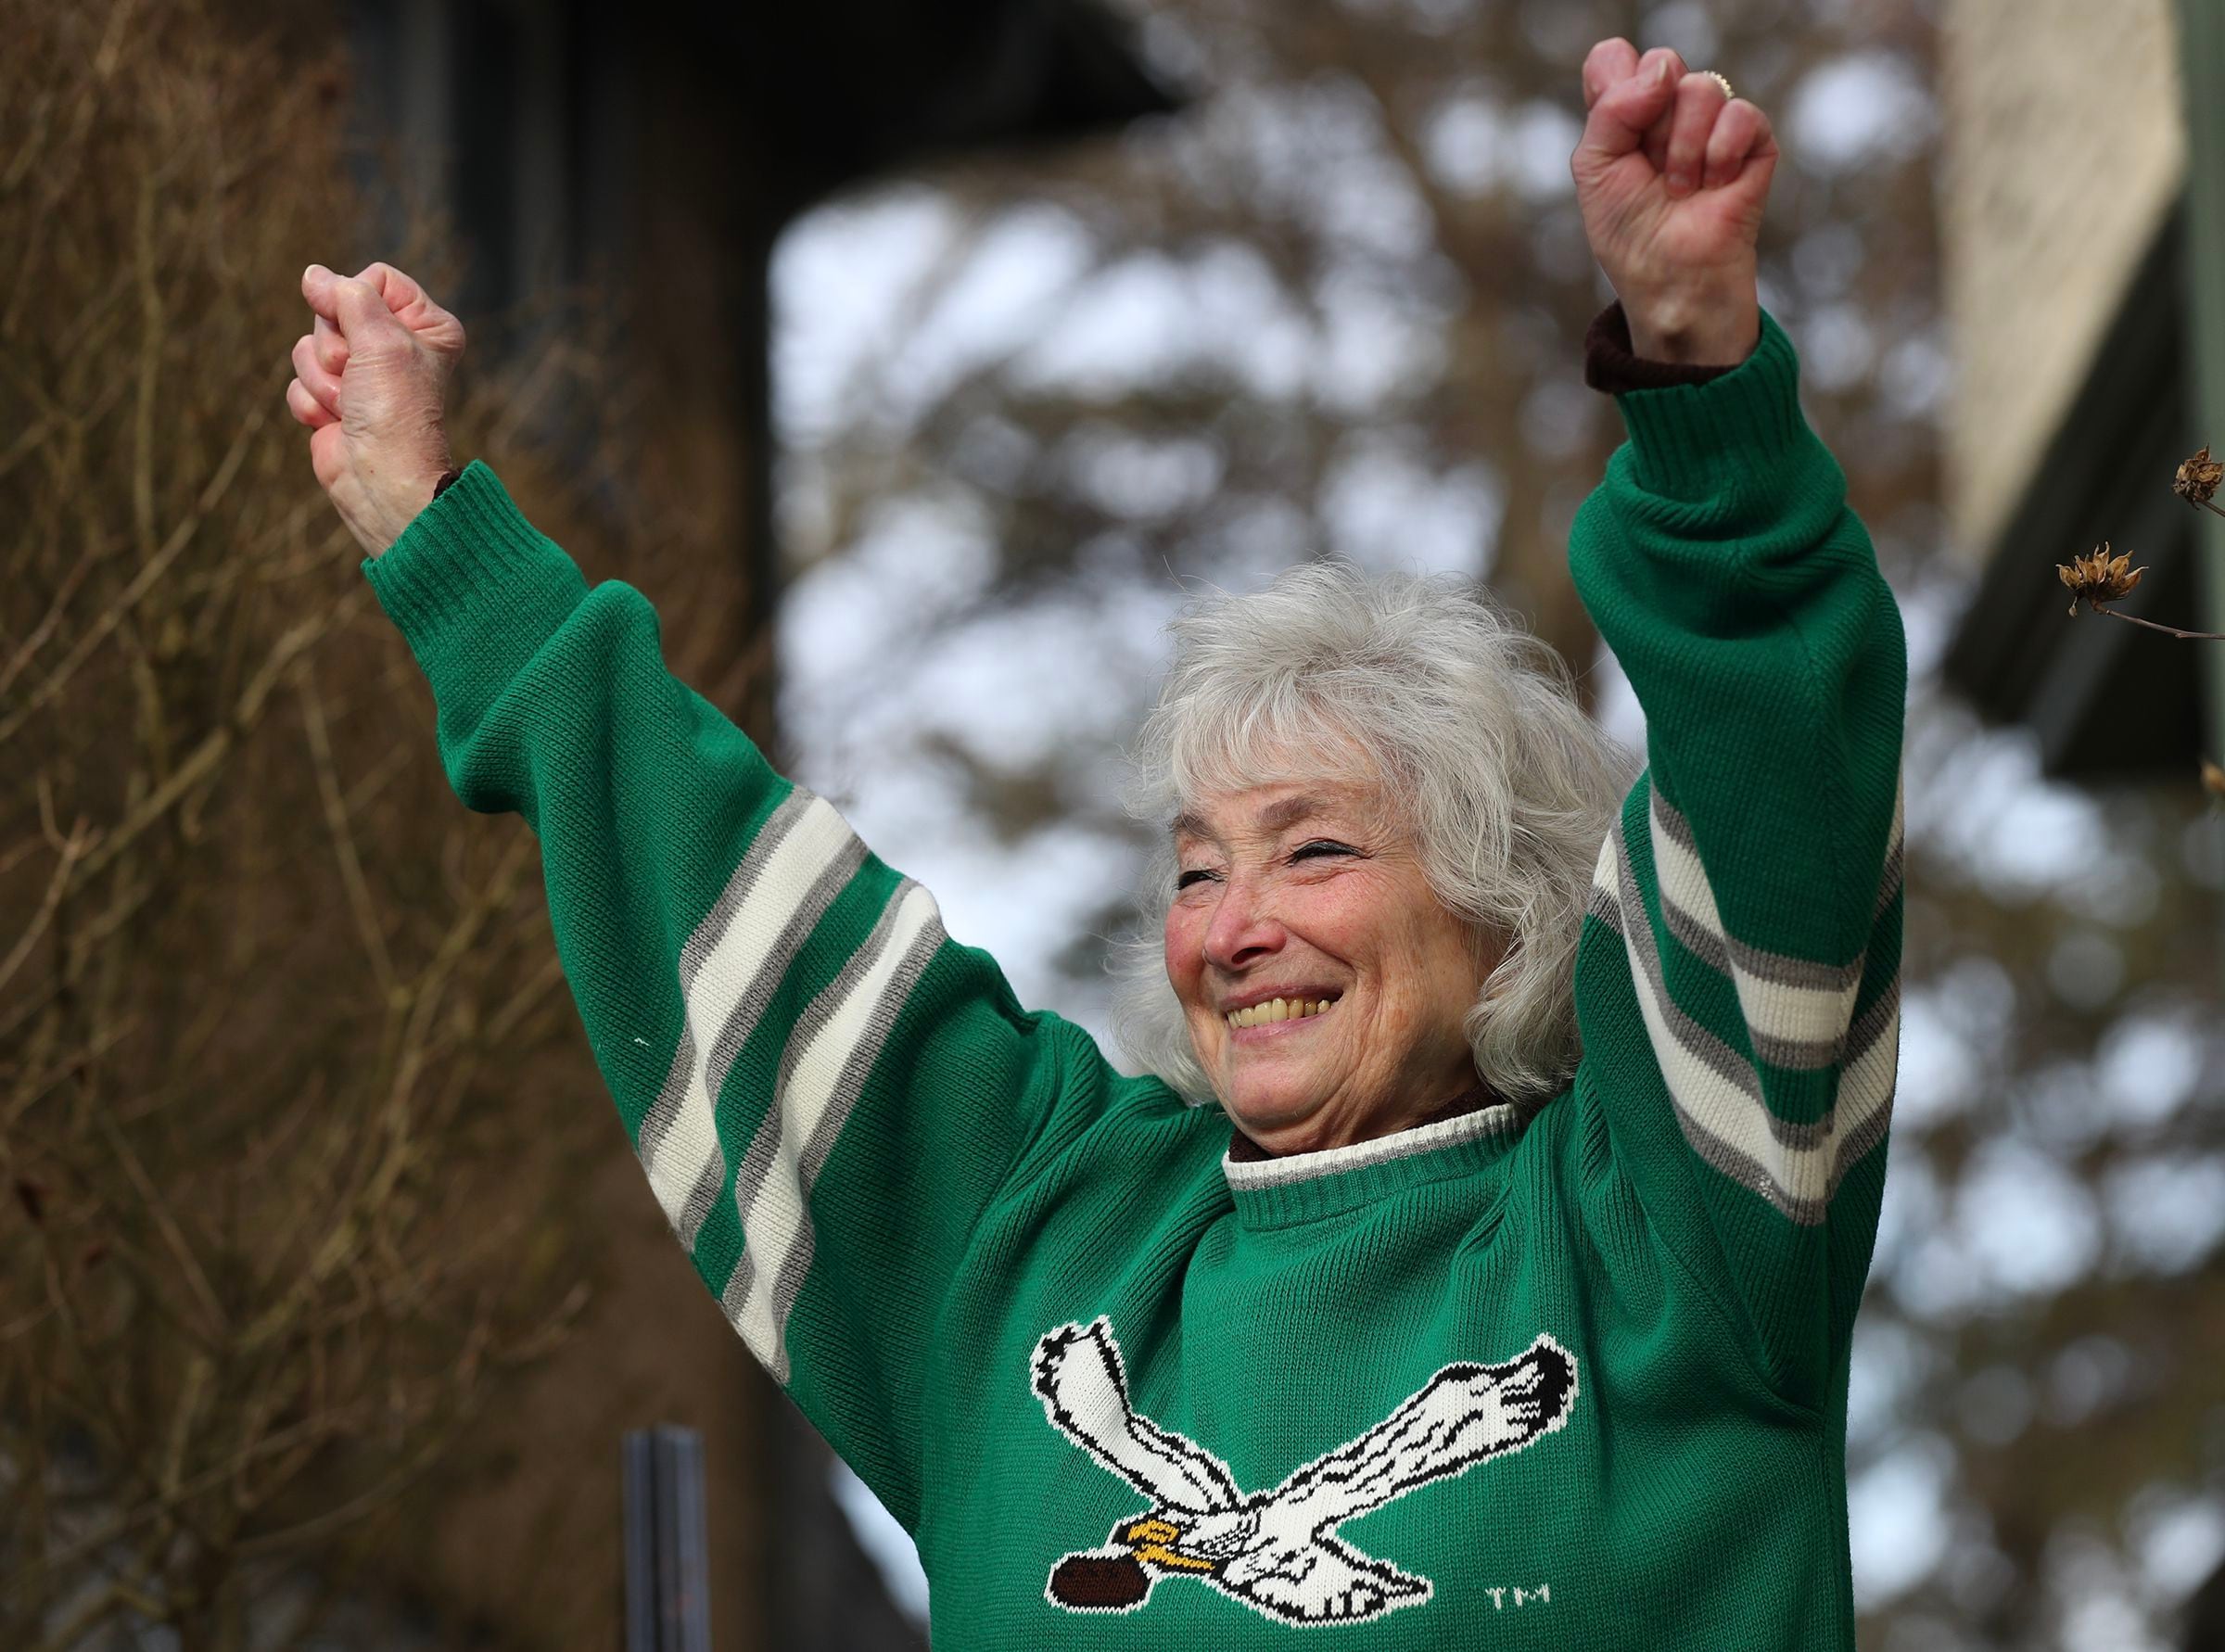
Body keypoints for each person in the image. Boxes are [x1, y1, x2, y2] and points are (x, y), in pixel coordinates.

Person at [288, 40, 1903, 1648]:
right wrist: (447, 545)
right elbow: (728, 883)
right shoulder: (1039, 1242)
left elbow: (1780, 800)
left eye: (1314, 851)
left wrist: (1699, 384)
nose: (1234, 926)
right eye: (1198, 870)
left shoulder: (1675, 1230)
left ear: (1499, 906)